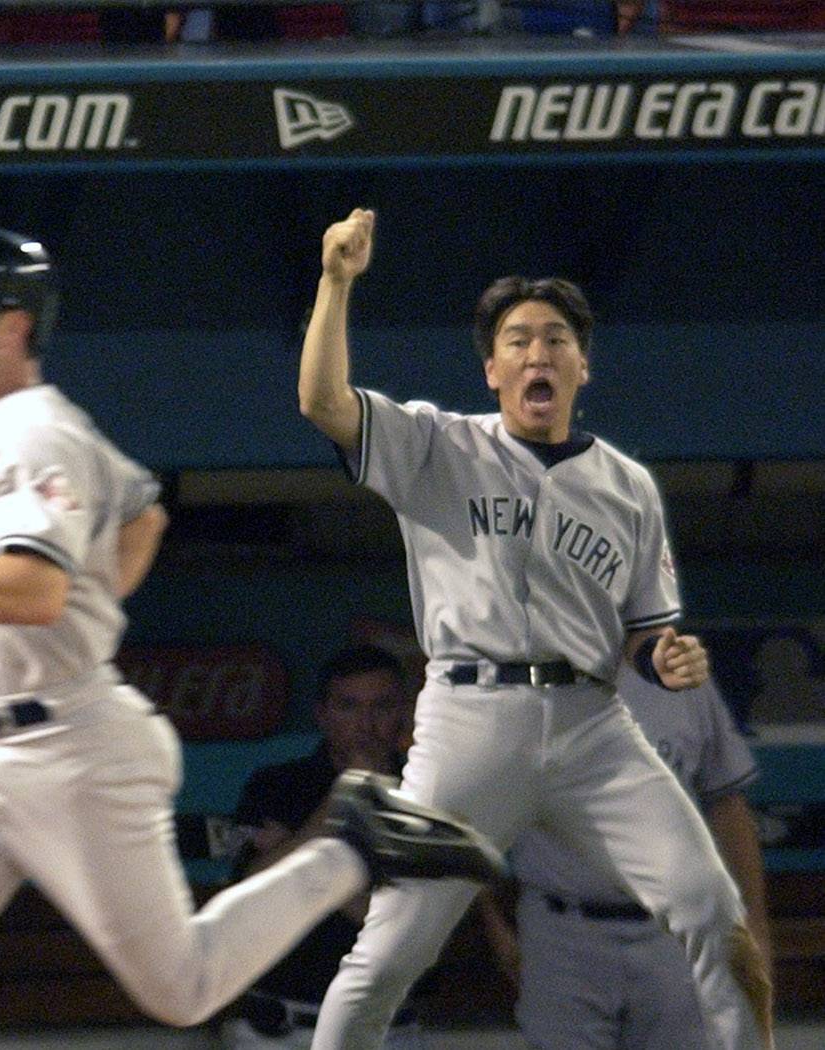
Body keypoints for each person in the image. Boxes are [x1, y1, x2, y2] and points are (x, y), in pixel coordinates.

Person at [0, 224, 506, 1050]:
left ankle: (352, 844)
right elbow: (141, 512)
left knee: (184, 986)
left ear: (10, 323)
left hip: (69, 749)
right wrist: (94, 594)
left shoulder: (29, 434)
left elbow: (37, 587)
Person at [296, 207, 774, 1050]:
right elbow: (322, 401)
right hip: (469, 720)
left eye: (555, 339)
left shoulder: (626, 486)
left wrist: (669, 657)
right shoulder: (440, 445)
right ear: (491, 370)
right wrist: (336, 282)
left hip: (593, 725)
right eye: (517, 340)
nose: (537, 353)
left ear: (583, 365)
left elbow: (643, 639)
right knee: (390, 950)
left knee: (712, 910)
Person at [479, 665, 771, 1050]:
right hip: (561, 932)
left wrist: (755, 925)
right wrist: (495, 924)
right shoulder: (516, 673)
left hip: (672, 933)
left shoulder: (678, 672)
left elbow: (728, 804)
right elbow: (472, 807)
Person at [224, 644, 430, 1050]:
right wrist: (341, 801)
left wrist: (296, 851)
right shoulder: (277, 786)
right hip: (278, 1027)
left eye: (382, 707)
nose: (366, 724)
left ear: (403, 714)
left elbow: (395, 922)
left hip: (388, 1029)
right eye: (349, 706)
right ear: (323, 714)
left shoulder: (428, 792)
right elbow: (253, 888)